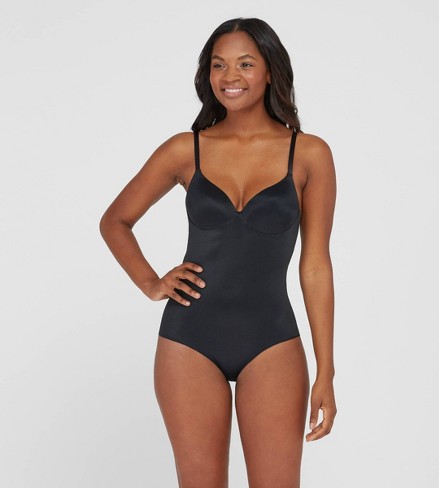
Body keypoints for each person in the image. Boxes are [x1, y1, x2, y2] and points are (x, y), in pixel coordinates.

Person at [100, 17, 337, 488]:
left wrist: (326, 370)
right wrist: (152, 283)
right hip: (189, 339)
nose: (230, 76)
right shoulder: (185, 150)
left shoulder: (309, 154)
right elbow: (115, 221)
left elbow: (315, 266)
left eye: (245, 64)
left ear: (270, 70)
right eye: (218, 65)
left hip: (272, 340)